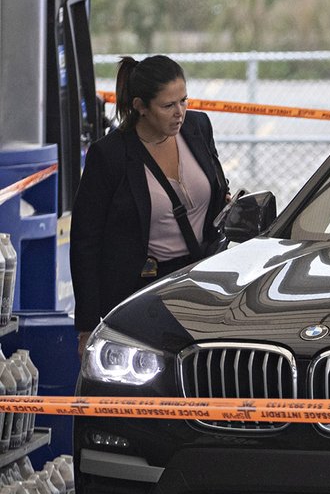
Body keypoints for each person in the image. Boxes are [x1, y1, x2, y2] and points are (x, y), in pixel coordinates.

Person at [71, 54, 228, 356]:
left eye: (184, 100)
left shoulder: (198, 127)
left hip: (202, 281)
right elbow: (85, 242)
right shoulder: (110, 155)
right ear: (140, 107)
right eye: (168, 106)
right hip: (143, 291)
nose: (180, 113)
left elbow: (216, 184)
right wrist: (87, 326)